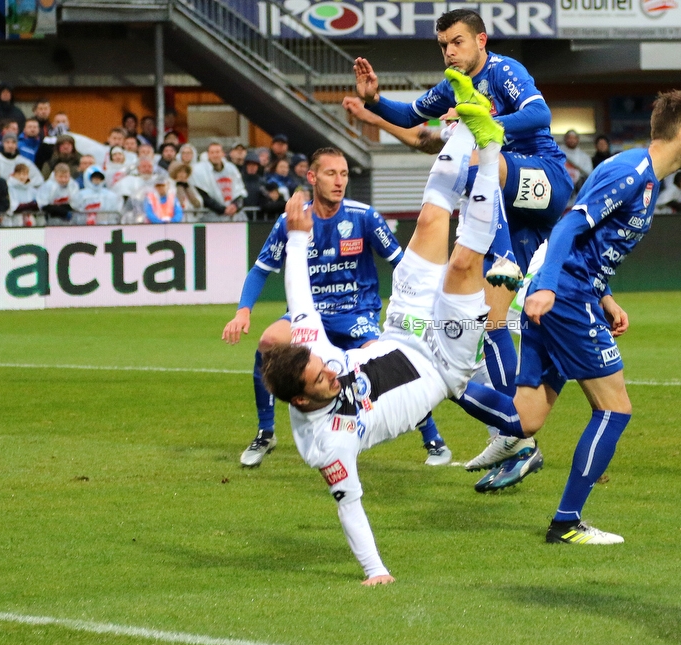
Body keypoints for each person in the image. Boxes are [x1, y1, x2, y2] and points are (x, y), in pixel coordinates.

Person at [260, 103, 503, 583]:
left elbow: (299, 293)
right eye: (322, 379)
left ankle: (466, 131)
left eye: (322, 366)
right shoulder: (326, 448)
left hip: (401, 330)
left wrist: (296, 238)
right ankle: (491, 147)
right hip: (443, 368)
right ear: (303, 398)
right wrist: (375, 571)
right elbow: (350, 507)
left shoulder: (309, 354)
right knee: (462, 262)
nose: (332, 370)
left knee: (432, 221)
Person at [454, 90, 681, 539]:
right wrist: (551, 286)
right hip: (565, 296)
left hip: (571, 292)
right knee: (615, 409)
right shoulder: (630, 173)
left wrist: (605, 296)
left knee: (525, 418)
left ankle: (439, 379)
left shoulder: (644, 178)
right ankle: (566, 522)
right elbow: (569, 224)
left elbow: (589, 239)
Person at [350, 9, 574, 473]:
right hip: (508, 209)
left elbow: (540, 113)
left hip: (544, 180)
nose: (450, 52)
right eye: (443, 45)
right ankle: (512, 435)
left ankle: (505, 256)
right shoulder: (452, 83)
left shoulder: (504, 70)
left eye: (456, 42)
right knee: (493, 321)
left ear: (480, 40)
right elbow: (412, 116)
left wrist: (487, 124)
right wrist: (374, 101)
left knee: (474, 163)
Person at [223, 146, 450, 467]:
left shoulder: (364, 217)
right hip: (309, 314)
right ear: (312, 177)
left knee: (389, 363)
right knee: (269, 342)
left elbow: (403, 263)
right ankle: (266, 431)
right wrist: (243, 310)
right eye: (331, 173)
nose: (339, 180)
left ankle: (433, 440)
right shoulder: (294, 219)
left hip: (357, 313)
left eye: (343, 174)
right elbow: (261, 268)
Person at [191, 142, 246, 220]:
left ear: (222, 153)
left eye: (217, 152)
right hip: (210, 216)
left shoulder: (231, 169)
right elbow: (203, 194)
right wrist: (221, 209)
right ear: (208, 154)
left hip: (232, 216)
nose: (215, 155)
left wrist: (235, 205)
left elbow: (239, 191)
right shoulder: (200, 171)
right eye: (212, 152)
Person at [559, 129, 593, 194]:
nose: (572, 140)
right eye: (569, 138)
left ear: (577, 140)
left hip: (578, 190)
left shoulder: (584, 157)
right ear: (565, 139)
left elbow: (588, 175)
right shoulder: (558, 153)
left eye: (574, 138)